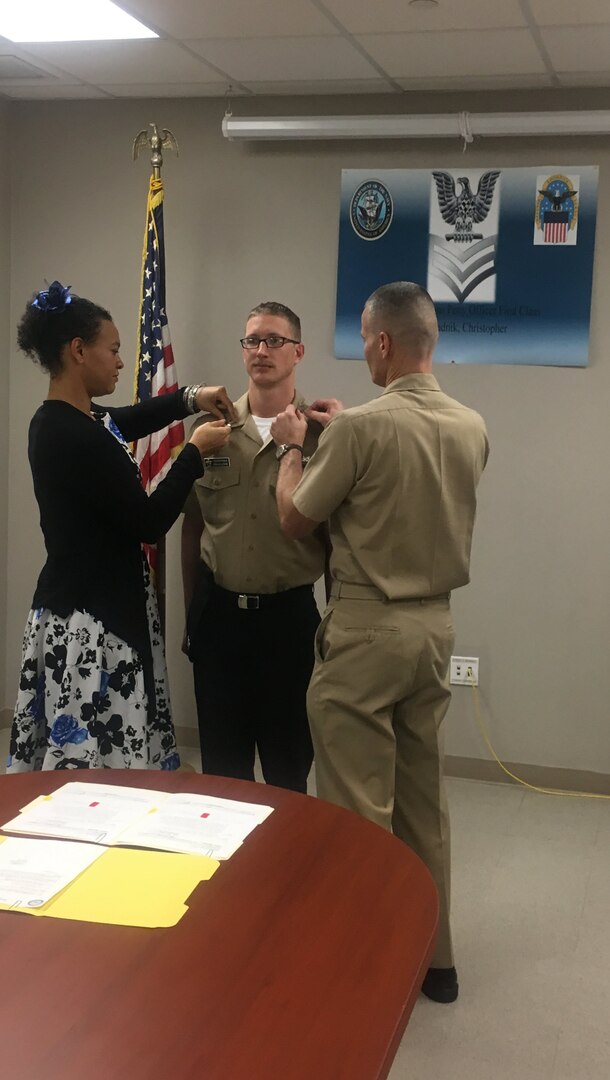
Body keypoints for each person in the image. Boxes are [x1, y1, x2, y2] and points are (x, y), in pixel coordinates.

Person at [270, 282, 489, 1003]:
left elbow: (299, 521)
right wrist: (342, 434)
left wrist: (297, 451)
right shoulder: (470, 426)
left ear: (385, 342)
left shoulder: (361, 428)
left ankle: (366, 970)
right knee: (424, 800)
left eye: (365, 340)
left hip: (367, 630)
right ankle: (437, 961)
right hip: (435, 629)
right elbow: (399, 489)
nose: (364, 350)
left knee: (358, 810)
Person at [9, 279, 234, 773]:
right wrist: (193, 454)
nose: (120, 361)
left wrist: (192, 397)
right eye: (111, 350)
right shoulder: (66, 433)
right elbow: (149, 521)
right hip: (90, 623)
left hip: (106, 606)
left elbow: (129, 420)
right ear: (77, 351)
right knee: (93, 767)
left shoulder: (81, 420)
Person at [181, 301, 328, 793]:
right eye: (252, 341)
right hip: (220, 620)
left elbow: (335, 541)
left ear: (298, 352)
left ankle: (288, 869)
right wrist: (192, 617)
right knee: (223, 773)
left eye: (274, 341)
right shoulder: (212, 431)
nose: (261, 351)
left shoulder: (323, 436)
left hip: (288, 623)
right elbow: (192, 527)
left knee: (289, 769)